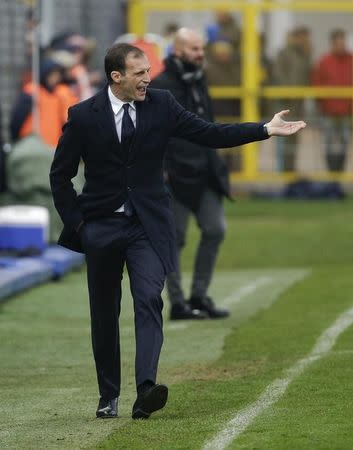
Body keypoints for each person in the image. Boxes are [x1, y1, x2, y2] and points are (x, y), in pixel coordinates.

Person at [49, 43, 305, 420]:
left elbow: (210, 133)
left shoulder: (162, 104)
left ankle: (146, 389)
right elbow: (60, 176)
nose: (148, 79)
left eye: (149, 71)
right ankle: (108, 395)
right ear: (116, 76)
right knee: (104, 314)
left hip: (148, 226)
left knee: (149, 298)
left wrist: (264, 130)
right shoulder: (84, 116)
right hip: (100, 227)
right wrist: (80, 226)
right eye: (139, 73)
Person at [151, 29, 234, 320]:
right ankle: (177, 303)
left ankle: (199, 296)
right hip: (174, 175)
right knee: (174, 239)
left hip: (206, 172)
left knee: (215, 229)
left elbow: (208, 126)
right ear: (177, 51)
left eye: (202, 48)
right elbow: (155, 134)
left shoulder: (199, 80)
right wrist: (161, 171)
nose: (201, 54)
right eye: (195, 49)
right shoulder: (160, 85)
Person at [312, 29, 353, 172]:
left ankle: (339, 171)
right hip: (328, 111)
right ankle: (332, 173)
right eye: (338, 42)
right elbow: (317, 83)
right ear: (332, 43)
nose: (342, 45)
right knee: (328, 142)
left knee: (344, 142)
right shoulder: (324, 61)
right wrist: (320, 105)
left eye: (343, 42)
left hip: (347, 111)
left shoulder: (351, 60)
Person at [272, 27, 312, 171]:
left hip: (298, 103)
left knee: (294, 136)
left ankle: (290, 169)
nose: (305, 40)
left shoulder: (305, 55)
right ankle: (281, 170)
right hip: (285, 103)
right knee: (282, 135)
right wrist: (288, 92)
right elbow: (278, 74)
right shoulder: (284, 53)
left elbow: (308, 76)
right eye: (302, 37)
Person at [10, 58, 63, 147]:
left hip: (52, 147)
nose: (55, 78)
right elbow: (17, 119)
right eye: (52, 75)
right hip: (32, 146)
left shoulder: (57, 94)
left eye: (57, 75)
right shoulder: (31, 92)